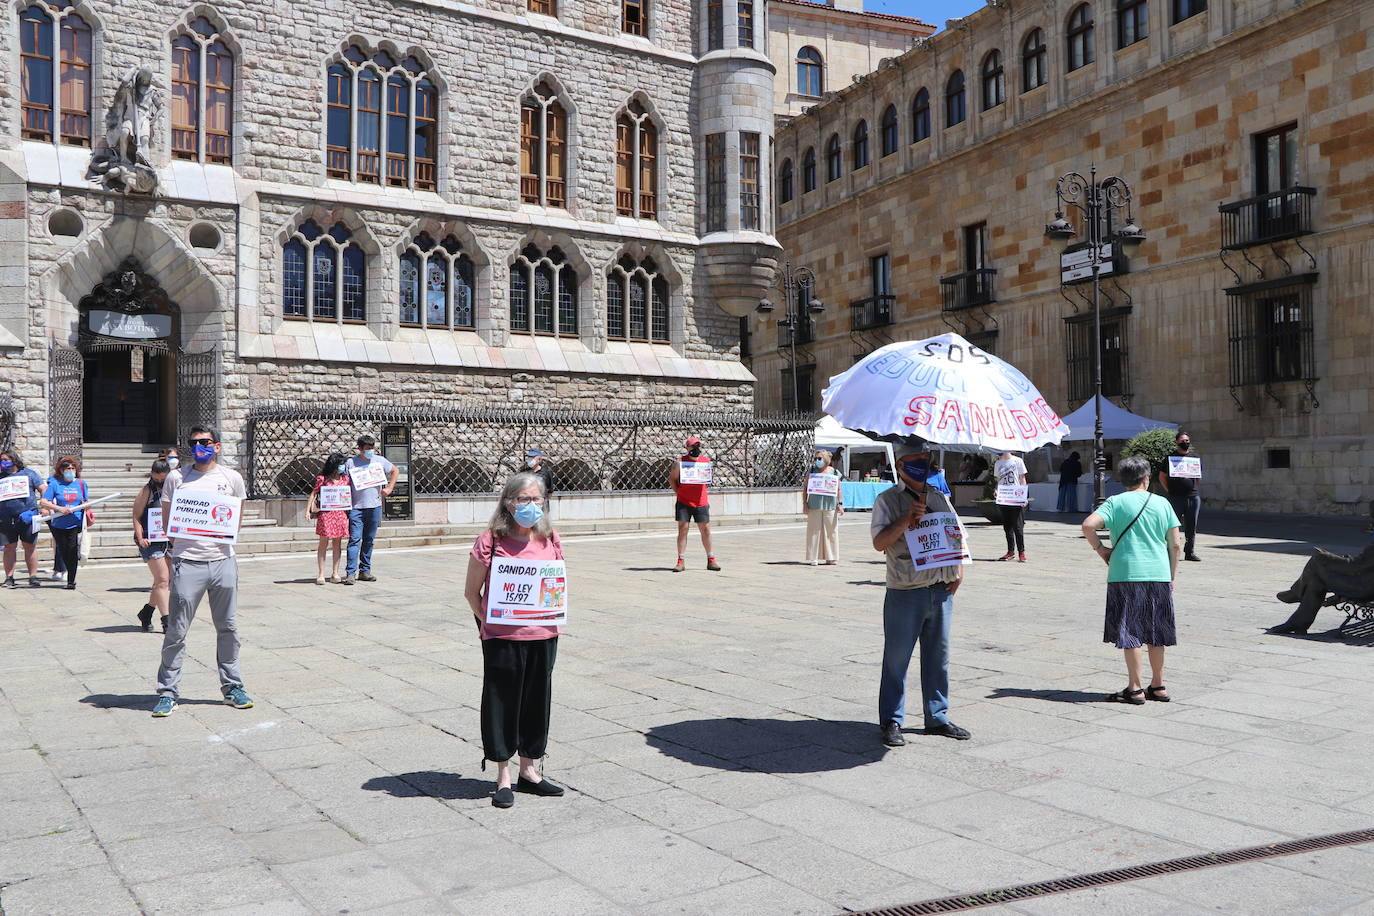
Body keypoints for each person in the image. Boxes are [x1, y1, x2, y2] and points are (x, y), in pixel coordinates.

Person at [462, 472, 566, 809]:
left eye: (537, 499)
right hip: (502, 636)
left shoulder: (550, 538)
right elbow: (471, 593)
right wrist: (491, 624)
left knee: (537, 700)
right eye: (524, 499)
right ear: (508, 502)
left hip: (543, 633)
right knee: (501, 700)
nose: (531, 505)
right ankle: (503, 774)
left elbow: (555, 586)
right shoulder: (491, 540)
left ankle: (529, 771)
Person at [871, 446, 971, 747]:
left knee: (938, 658)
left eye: (926, 459)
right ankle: (891, 719)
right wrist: (905, 520)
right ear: (901, 465)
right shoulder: (886, 500)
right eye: (916, 460)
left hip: (941, 589)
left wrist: (960, 569)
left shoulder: (940, 497)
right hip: (906, 589)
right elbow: (879, 543)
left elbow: (956, 534)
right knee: (896, 659)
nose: (923, 464)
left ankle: (937, 717)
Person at [152, 427, 252, 717]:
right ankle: (168, 692)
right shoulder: (177, 477)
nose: (199, 447)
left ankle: (233, 687)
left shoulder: (231, 478)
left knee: (229, 628)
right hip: (188, 561)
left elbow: (236, 520)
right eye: (194, 443)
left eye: (205, 442)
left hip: (223, 562)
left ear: (217, 446)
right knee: (177, 630)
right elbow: (170, 520)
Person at [1081, 456, 1182, 705]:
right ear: (1146, 478)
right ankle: (1158, 685)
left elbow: (1087, 525)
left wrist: (1102, 550)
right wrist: (1171, 577)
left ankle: (1135, 688)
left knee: (1131, 632)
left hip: (1124, 574)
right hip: (1158, 574)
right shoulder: (1162, 503)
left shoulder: (1115, 502)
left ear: (1123, 480)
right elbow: (1176, 545)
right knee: (1157, 632)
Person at [1268, 512, 1374, 634]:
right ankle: (1297, 616)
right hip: (1367, 583)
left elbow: (1354, 566)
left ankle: (1297, 599)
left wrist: (1328, 557)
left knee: (1317, 561)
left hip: (1364, 589)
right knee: (1317, 575)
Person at [343, 435, 397, 585]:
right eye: (367, 449)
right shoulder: (351, 462)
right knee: (354, 539)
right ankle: (350, 573)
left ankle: (365, 570)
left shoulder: (379, 461)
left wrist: (390, 487)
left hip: (374, 506)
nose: (370, 451)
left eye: (372, 448)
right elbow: (344, 481)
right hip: (356, 508)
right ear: (359, 449)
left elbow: (395, 470)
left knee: (369, 540)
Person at [39, 456, 92, 591]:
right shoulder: (55, 484)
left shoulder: (81, 483)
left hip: (75, 522)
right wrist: (59, 509)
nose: (70, 471)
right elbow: (44, 501)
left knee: (72, 549)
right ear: (61, 470)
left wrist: (86, 508)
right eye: (67, 468)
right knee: (63, 550)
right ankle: (68, 570)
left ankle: (71, 580)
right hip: (59, 523)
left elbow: (85, 500)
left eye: (73, 468)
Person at [131, 458, 172, 632]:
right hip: (151, 540)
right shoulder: (147, 491)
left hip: (169, 540)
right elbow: (136, 516)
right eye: (157, 479)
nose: (161, 483)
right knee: (162, 579)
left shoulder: (173, 490)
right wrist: (140, 538)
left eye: (164, 480)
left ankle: (147, 612)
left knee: (162, 581)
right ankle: (167, 621)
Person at [669, 436, 719, 572]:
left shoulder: (705, 462)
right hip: (684, 501)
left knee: (706, 529)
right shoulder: (680, 462)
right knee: (683, 529)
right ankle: (680, 560)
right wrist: (678, 492)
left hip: (701, 502)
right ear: (687, 448)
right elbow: (672, 479)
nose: (696, 448)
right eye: (693, 446)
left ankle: (711, 559)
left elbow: (707, 481)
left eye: (697, 446)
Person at [0, 449, 43, 588]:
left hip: (28, 517)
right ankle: (9, 577)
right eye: (2, 460)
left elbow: (43, 488)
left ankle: (33, 576)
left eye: (6, 460)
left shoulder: (29, 474)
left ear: (14, 460)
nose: (3, 462)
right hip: (6, 519)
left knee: (30, 546)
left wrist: (46, 506)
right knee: (9, 548)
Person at [1158, 431, 1202, 562]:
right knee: (1172, 525)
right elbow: (1162, 477)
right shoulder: (1170, 458)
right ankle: (1169, 551)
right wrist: (1169, 490)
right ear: (1177, 442)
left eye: (1187, 440)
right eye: (1183, 440)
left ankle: (1189, 552)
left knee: (1191, 526)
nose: (1185, 443)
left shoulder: (1194, 457)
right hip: (1175, 498)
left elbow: (1198, 477)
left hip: (1193, 497)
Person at [308, 453, 349, 585]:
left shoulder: (346, 479)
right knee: (323, 543)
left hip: (340, 513)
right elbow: (314, 492)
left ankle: (335, 572)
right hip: (326, 514)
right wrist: (308, 510)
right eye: (340, 464)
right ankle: (321, 574)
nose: (343, 466)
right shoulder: (323, 479)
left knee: (337, 543)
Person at [803, 449, 844, 566]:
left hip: (830, 505)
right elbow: (805, 488)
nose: (817, 461)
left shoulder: (834, 472)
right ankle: (813, 557)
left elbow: (839, 489)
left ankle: (832, 557)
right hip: (814, 504)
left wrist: (840, 504)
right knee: (813, 531)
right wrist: (804, 503)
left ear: (826, 459)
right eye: (816, 459)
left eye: (819, 458)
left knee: (831, 531)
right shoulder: (812, 471)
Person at [994, 450, 1028, 563]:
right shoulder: (998, 463)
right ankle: (1010, 551)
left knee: (1018, 526)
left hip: (1016, 497)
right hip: (1004, 497)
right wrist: (996, 490)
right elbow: (999, 480)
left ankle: (1021, 552)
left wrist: (1024, 496)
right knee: (1007, 526)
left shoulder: (1018, 461)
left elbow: (1022, 478)